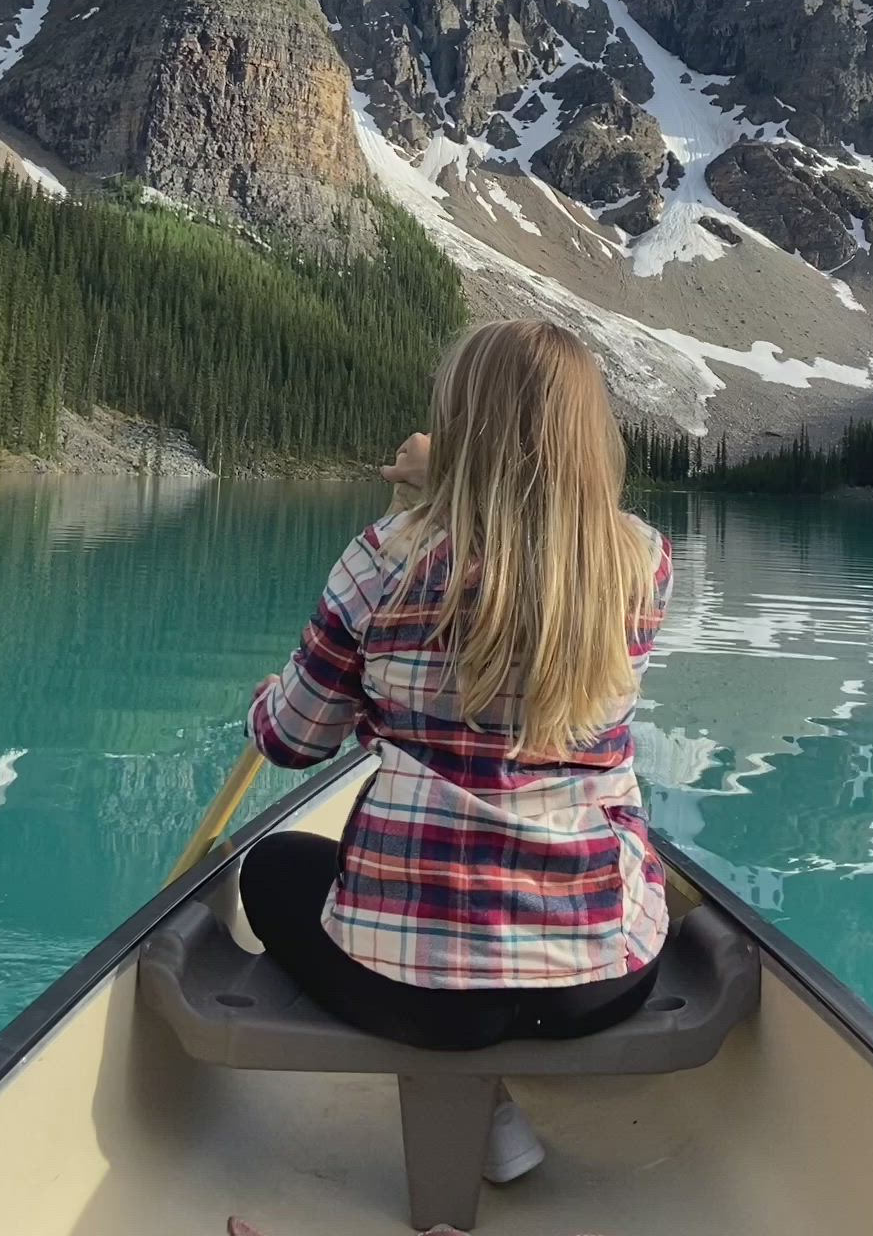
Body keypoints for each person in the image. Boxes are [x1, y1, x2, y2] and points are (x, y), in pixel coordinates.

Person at [240, 319, 672, 1185]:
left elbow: (289, 741)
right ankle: (496, 1112)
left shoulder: (382, 562)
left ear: (457, 425)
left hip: (420, 994)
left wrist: (303, 687)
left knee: (274, 868)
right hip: (594, 983)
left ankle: (487, 1112)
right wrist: (460, 486)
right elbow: (529, 546)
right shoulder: (640, 564)